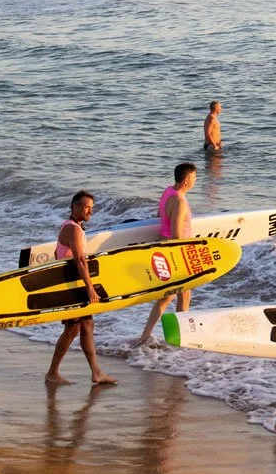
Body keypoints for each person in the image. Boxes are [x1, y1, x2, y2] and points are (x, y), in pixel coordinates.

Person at [46, 191, 117, 385]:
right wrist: (91, 288)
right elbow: (79, 260)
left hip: (73, 284)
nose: (90, 211)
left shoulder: (71, 227)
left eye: (92, 208)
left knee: (86, 326)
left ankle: (96, 372)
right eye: (86, 207)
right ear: (75, 206)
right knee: (72, 329)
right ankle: (52, 372)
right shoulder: (73, 229)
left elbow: (57, 253)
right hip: (72, 287)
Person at [132, 163, 198, 348]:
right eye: (194, 177)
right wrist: (185, 255)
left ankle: (145, 335)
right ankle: (180, 340)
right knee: (184, 295)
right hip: (176, 252)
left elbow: (160, 215)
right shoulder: (179, 202)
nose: (195, 180)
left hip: (165, 248)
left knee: (167, 296)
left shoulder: (168, 191)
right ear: (186, 180)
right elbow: (177, 234)